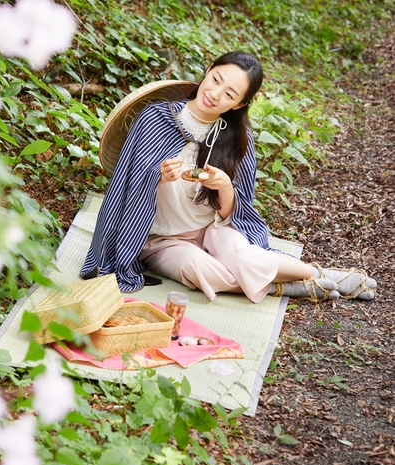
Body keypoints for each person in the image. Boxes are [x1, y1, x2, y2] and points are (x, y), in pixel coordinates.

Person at [80, 51, 376, 302]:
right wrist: (156, 177)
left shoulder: (236, 138)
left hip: (211, 228)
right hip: (158, 238)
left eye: (229, 94)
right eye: (216, 80)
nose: (214, 94)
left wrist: (224, 186)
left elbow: (232, 214)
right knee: (198, 269)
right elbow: (125, 186)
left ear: (239, 104)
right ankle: (286, 286)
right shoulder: (155, 118)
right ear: (208, 70)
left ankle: (320, 274)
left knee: (246, 257)